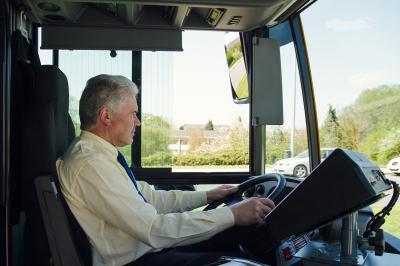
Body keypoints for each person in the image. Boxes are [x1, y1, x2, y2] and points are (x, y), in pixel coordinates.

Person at [56, 74, 275, 266]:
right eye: (133, 113)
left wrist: (208, 195)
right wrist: (233, 213)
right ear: (106, 116)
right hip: (138, 260)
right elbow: (154, 229)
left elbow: (149, 198)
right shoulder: (91, 164)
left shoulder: (100, 155)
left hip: (147, 250)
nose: (138, 122)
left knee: (231, 239)